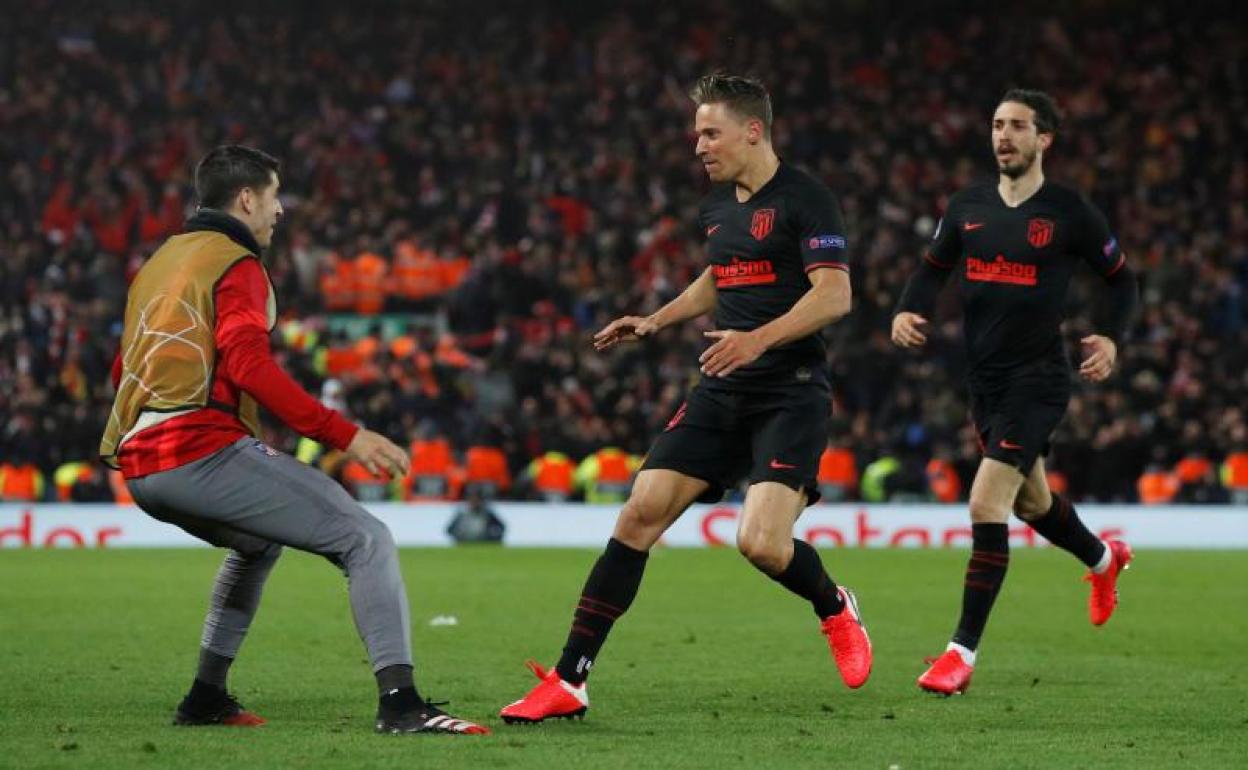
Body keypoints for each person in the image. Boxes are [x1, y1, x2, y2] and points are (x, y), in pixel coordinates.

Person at [499, 74, 871, 725]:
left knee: (759, 544)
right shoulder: (719, 206)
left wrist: (757, 339)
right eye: (696, 132)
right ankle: (570, 678)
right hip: (723, 389)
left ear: (752, 130)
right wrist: (655, 319)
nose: (697, 145)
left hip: (790, 392)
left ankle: (834, 606)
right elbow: (718, 274)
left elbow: (834, 296)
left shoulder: (808, 198)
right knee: (640, 512)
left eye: (710, 132)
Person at [99, 146, 487, 735]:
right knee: (366, 537)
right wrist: (345, 434)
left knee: (257, 545)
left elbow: (125, 368)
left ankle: (205, 698)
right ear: (247, 199)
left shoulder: (159, 264)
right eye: (275, 197)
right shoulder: (236, 263)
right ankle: (402, 705)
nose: (280, 211)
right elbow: (250, 366)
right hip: (196, 446)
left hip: (140, 460)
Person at [891, 90, 1139, 696]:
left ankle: (959, 655)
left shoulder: (1069, 212)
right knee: (1031, 505)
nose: (1003, 136)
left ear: (1044, 139)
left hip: (1039, 380)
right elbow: (931, 268)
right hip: (985, 382)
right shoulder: (967, 206)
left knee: (985, 504)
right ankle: (1105, 561)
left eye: (1018, 127)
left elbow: (1121, 281)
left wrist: (1110, 336)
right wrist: (907, 310)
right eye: (997, 124)